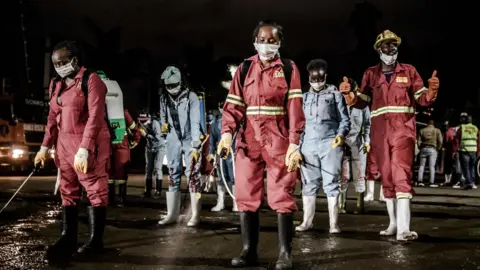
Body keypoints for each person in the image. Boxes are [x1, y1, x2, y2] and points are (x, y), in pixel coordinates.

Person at [217, 20, 304, 269]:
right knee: (246, 194)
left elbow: (295, 107)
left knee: (282, 195)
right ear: (255, 40)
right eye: (262, 40)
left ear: (280, 43)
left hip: (278, 139)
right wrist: (226, 134)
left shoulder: (288, 68)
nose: (267, 45)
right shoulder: (244, 69)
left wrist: (295, 143)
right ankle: (248, 251)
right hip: (248, 140)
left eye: (272, 40)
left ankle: (285, 253)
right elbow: (233, 106)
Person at [340, 30, 439, 241]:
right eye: (385, 45)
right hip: (379, 133)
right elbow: (362, 101)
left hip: (403, 130)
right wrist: (349, 94)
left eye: (393, 45)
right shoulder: (370, 74)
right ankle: (393, 224)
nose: (390, 49)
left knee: (401, 174)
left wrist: (431, 92)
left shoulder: (409, 71)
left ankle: (404, 228)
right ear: (378, 49)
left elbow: (423, 99)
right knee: (386, 177)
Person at [34, 41, 111, 260]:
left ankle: (96, 242)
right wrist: (43, 148)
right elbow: (52, 117)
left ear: (75, 60)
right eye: (55, 63)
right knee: (68, 190)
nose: (59, 66)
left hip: (88, 143)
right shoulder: (55, 84)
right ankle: (68, 236)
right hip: (64, 146)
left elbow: (95, 117)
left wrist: (85, 148)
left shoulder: (92, 80)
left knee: (95, 189)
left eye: (63, 62)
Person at [296, 59, 350, 233]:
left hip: (330, 143)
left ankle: (334, 224)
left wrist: (340, 135)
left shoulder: (335, 95)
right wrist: (297, 146)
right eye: (313, 78)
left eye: (320, 78)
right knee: (308, 183)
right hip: (308, 144)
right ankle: (307, 221)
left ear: (325, 76)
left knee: (331, 182)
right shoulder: (304, 97)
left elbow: (344, 120)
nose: (317, 82)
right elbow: (299, 124)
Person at [158, 66, 203, 227]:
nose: (171, 88)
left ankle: (196, 214)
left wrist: (196, 145)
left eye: (174, 85)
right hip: (172, 139)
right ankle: (172, 214)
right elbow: (163, 118)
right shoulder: (164, 99)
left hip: (190, 138)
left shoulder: (191, 97)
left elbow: (195, 121)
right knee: (172, 173)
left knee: (193, 176)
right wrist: (163, 128)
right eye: (168, 86)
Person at [338, 78, 370, 214]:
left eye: (348, 93)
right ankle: (341, 204)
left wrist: (367, 141)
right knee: (343, 175)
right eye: (343, 93)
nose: (346, 96)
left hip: (358, 143)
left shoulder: (363, 106)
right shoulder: (337, 105)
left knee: (359, 174)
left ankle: (359, 204)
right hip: (341, 144)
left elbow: (368, 125)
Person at [208, 100, 238, 212]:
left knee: (234, 178)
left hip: (232, 152)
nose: (221, 107)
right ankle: (220, 203)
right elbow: (212, 138)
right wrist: (211, 152)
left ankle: (236, 203)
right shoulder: (215, 121)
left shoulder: (235, 118)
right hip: (221, 153)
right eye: (220, 105)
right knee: (221, 178)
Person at [108, 109, 142, 207]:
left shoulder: (102, 110)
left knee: (110, 173)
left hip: (108, 146)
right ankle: (121, 200)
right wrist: (134, 141)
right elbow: (134, 129)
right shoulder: (123, 112)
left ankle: (111, 201)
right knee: (120, 174)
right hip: (122, 146)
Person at [138, 111, 166, 198]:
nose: (143, 122)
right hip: (150, 147)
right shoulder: (140, 122)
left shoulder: (155, 123)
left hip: (160, 147)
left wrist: (146, 135)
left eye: (144, 120)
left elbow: (158, 138)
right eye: (141, 120)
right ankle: (148, 191)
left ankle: (158, 191)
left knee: (158, 168)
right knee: (148, 168)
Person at [453, 115, 480, 190]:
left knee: (466, 167)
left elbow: (456, 139)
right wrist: (478, 150)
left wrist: (456, 149)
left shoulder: (462, 128)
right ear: (471, 121)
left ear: (465, 120)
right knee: (472, 167)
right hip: (473, 150)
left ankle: (469, 182)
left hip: (464, 149)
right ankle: (473, 182)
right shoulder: (475, 128)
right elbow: (479, 140)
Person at [417, 120, 443, 187]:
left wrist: (420, 148)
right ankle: (431, 182)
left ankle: (420, 181)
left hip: (423, 148)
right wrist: (438, 148)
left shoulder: (422, 130)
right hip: (433, 149)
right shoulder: (437, 130)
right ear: (433, 124)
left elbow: (418, 141)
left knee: (422, 165)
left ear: (427, 124)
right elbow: (440, 141)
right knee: (431, 166)